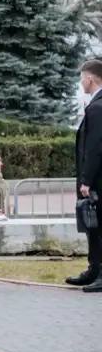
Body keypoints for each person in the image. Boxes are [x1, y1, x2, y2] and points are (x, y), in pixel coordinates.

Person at [69, 58, 102, 292]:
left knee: (98, 228)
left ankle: (99, 273)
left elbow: (95, 147)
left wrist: (86, 181)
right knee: (93, 227)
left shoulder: (98, 107)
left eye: (82, 78)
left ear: (90, 78)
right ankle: (94, 269)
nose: (81, 82)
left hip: (98, 180)